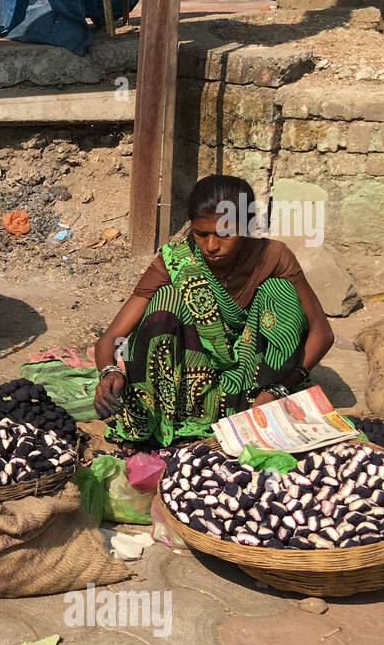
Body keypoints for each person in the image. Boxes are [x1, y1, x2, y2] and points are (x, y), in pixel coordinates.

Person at [92, 175, 334, 447]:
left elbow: (322, 334)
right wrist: (110, 371)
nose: (211, 247)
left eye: (224, 234)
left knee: (280, 292)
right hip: (193, 387)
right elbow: (114, 336)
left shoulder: (273, 257)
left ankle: (259, 404)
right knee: (166, 300)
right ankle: (172, 420)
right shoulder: (177, 261)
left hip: (257, 383)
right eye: (201, 234)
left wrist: (279, 388)